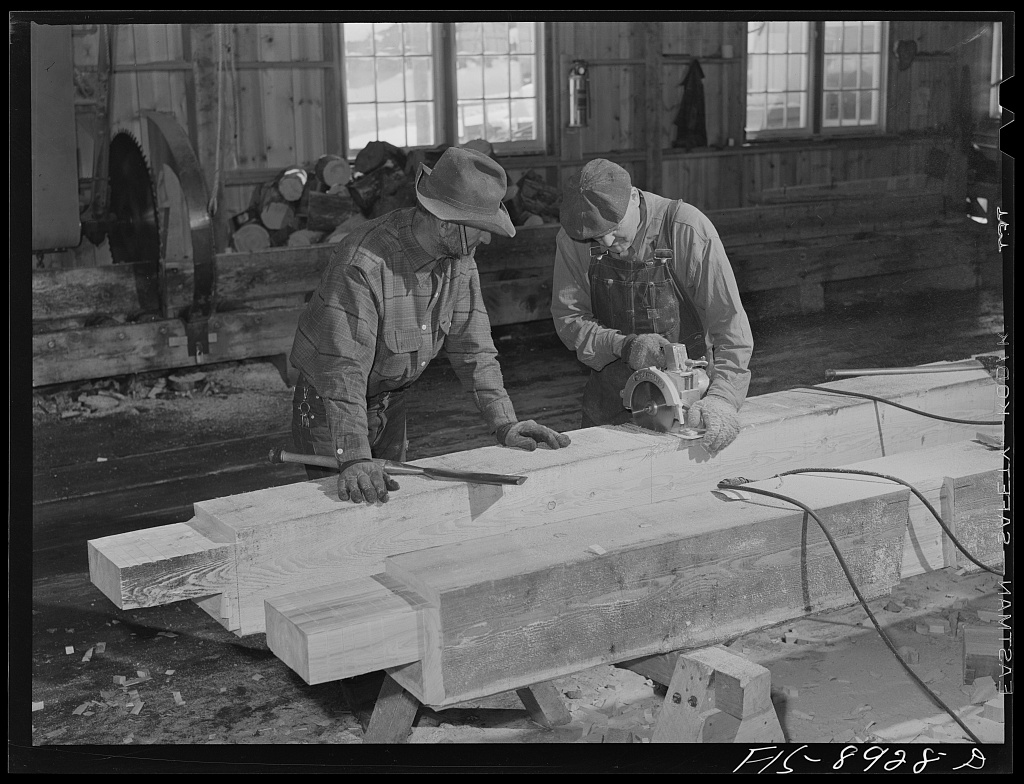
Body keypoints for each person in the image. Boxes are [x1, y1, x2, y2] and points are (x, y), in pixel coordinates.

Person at [290, 146, 571, 504]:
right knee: (339, 515)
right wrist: (356, 457)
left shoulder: (460, 258)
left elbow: (476, 350)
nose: (486, 238)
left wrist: (505, 423)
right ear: (444, 223)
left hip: (390, 398)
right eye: (481, 229)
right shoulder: (364, 264)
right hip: (328, 404)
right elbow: (343, 371)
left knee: (389, 509)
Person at [551, 158, 753, 455]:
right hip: (609, 402)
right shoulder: (574, 239)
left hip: (688, 404)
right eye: (595, 236)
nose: (606, 242)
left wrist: (723, 398)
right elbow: (570, 320)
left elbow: (731, 328)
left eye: (614, 228)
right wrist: (625, 346)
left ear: (634, 196)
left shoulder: (687, 229)